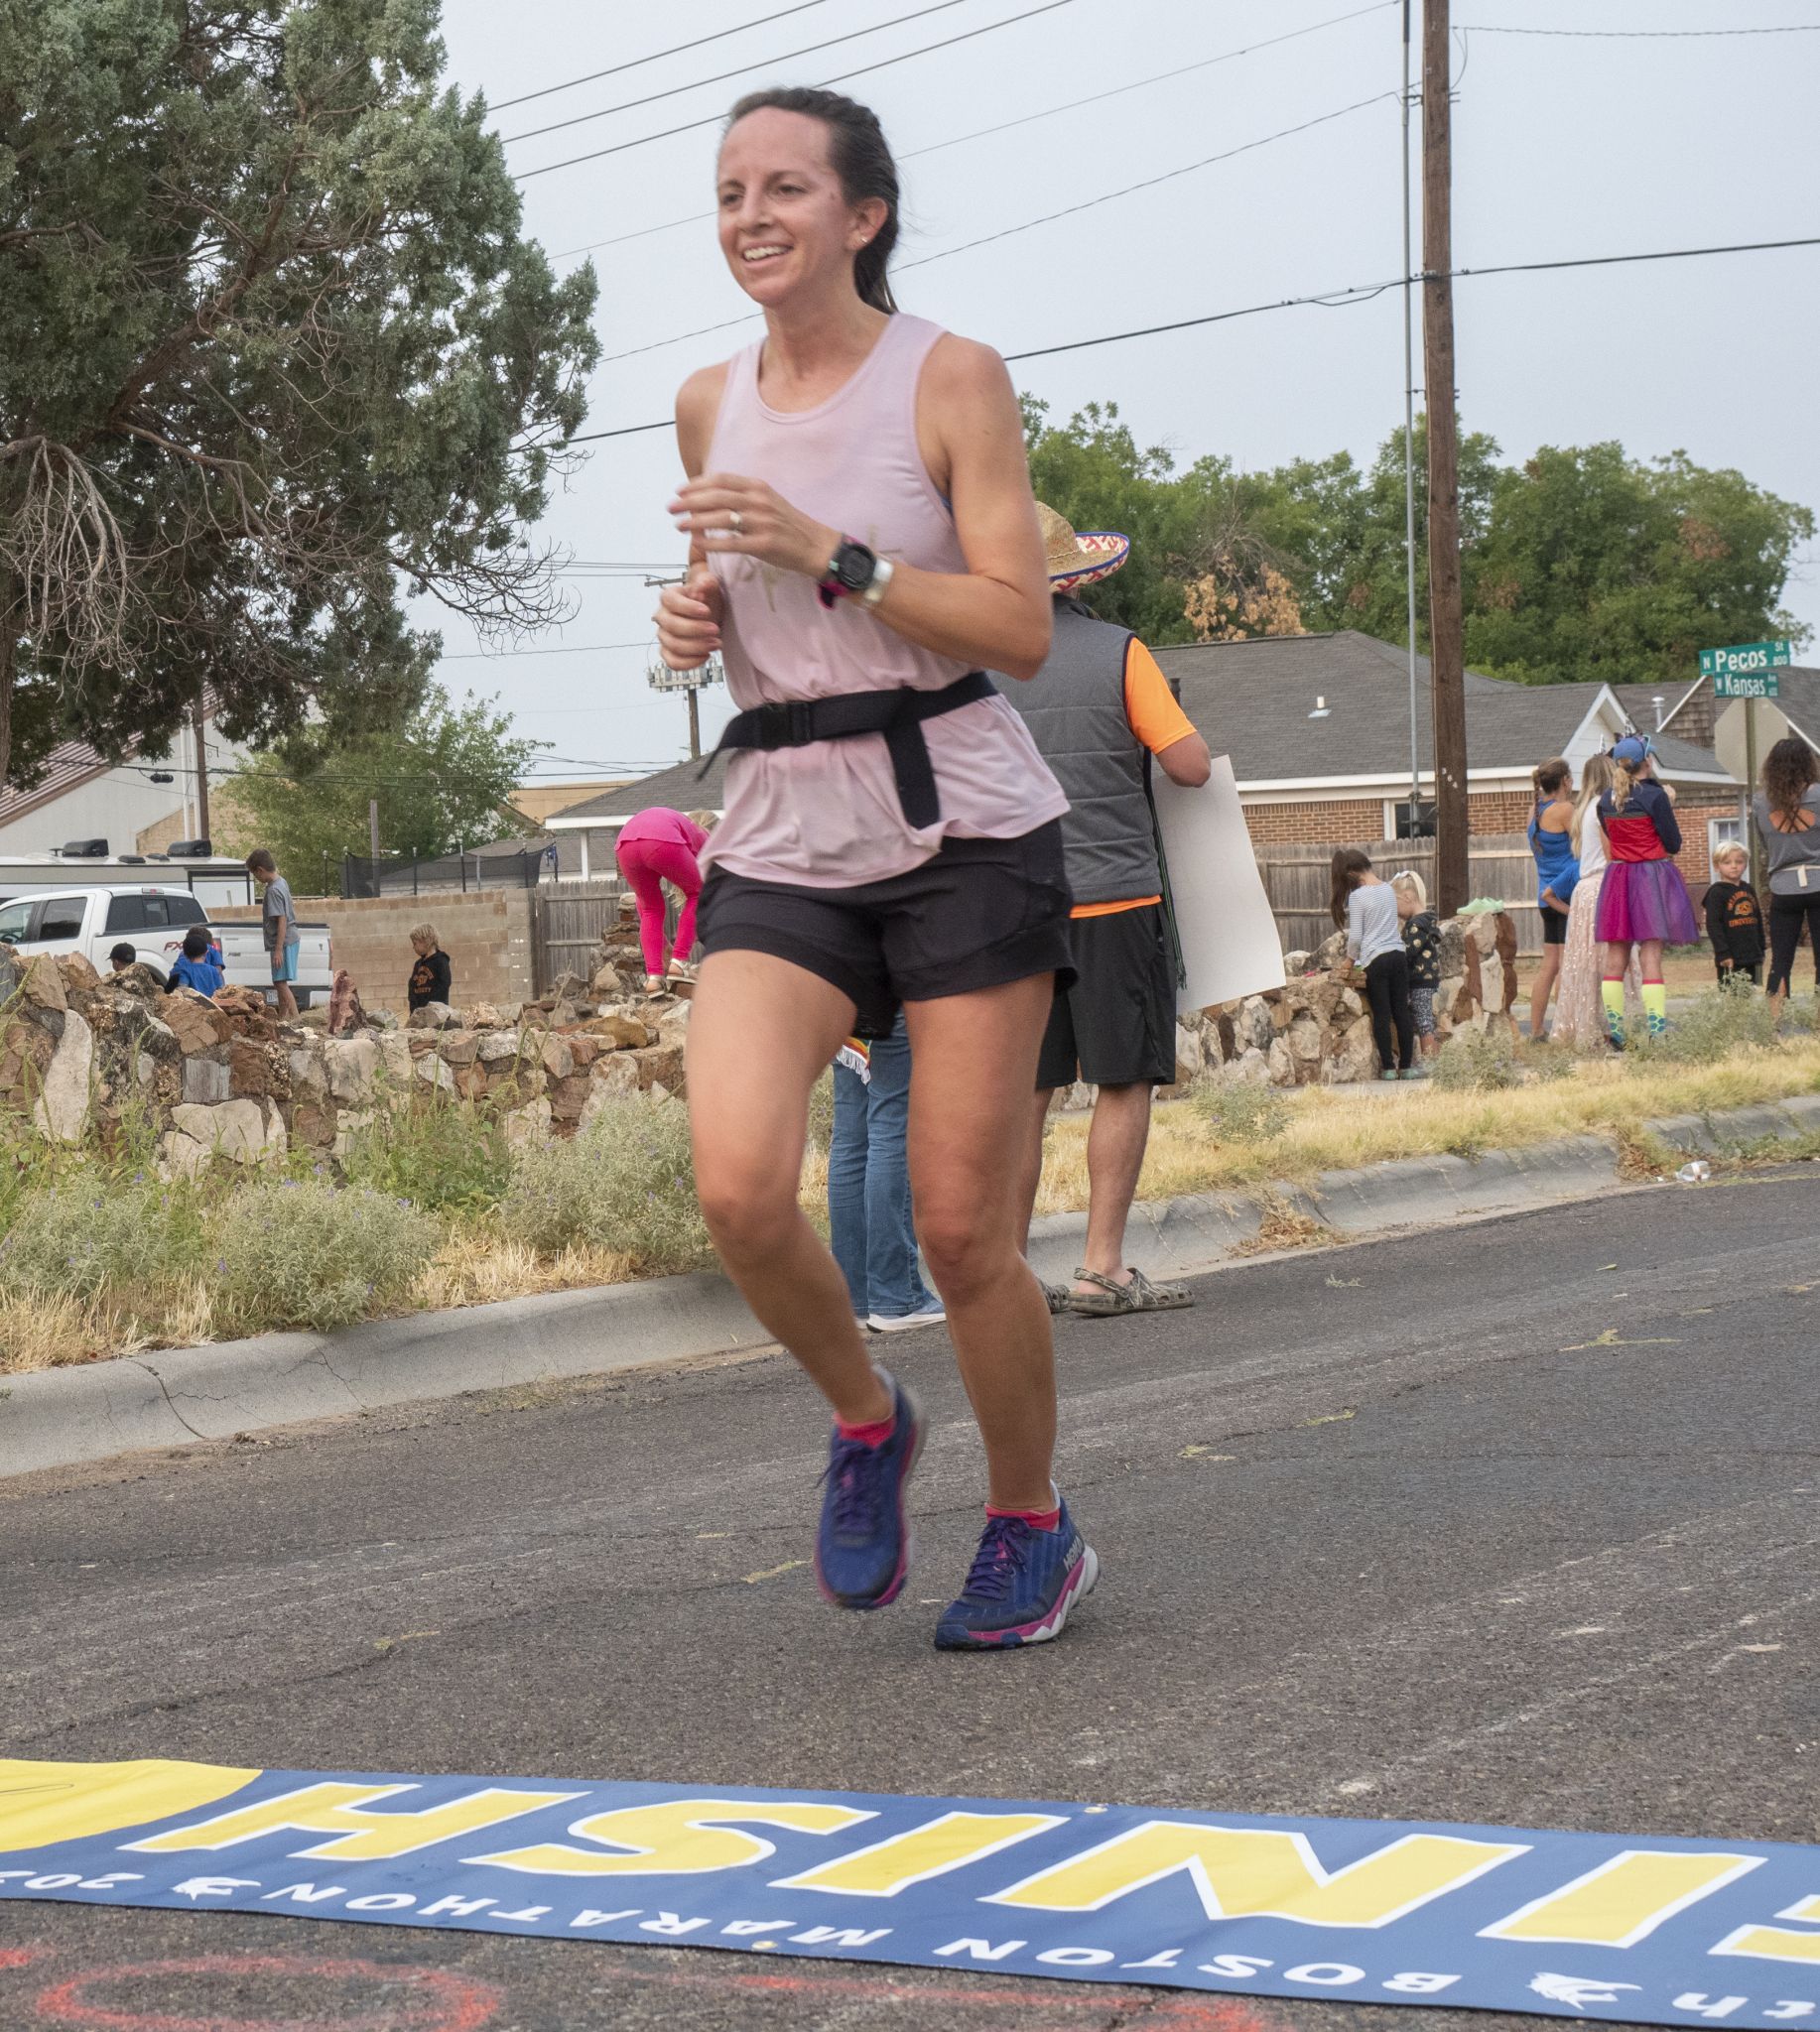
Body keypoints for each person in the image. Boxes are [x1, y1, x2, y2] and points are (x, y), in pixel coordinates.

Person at [654, 86, 1095, 1650]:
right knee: (733, 1183)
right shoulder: (708, 401)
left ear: (863, 215)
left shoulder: (950, 378)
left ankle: (1031, 1527)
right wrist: (686, 628)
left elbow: (1019, 627)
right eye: (726, 194)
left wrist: (828, 549)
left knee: (963, 1229)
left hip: (962, 824)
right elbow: (741, 608)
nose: (750, 216)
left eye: (784, 188)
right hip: (780, 823)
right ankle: (865, 1418)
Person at [1001, 506, 1210, 1319]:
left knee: (1027, 1092)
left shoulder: (974, 667)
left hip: (1016, 911)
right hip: (1116, 896)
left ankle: (1011, 1274)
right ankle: (1101, 1267)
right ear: (1080, 579)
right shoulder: (1121, 651)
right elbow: (1188, 767)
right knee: (1124, 1079)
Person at [828, 1019, 946, 1334]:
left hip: (844, 994)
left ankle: (856, 1297)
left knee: (850, 1138)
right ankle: (897, 1298)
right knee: (891, 1127)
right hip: (889, 989)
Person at [1595, 734, 1696, 1043]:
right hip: (1651, 877)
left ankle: (1617, 1032)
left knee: (1616, 955)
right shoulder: (1656, 797)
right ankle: (1656, 1031)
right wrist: (1670, 802)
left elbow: (1612, 842)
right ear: (1647, 762)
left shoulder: (1604, 800)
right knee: (1651, 953)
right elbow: (1673, 843)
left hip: (1619, 877)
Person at [1555, 751, 1639, 1053]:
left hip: (1584, 889)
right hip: (1606, 884)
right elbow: (1613, 852)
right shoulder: (1606, 810)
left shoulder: (1582, 810)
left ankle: (1586, 1026)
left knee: (1585, 964)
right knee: (1615, 961)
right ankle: (1616, 1026)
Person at [1333, 848, 1419, 1080]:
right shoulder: (1388, 890)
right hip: (1398, 955)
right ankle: (1407, 1066)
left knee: (1382, 1014)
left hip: (1376, 959)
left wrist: (1350, 960)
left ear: (1352, 874)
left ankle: (1389, 1068)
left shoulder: (1358, 896)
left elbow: (1357, 936)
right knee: (1401, 1011)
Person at [1755, 735, 1820, 1017]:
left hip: (1783, 885)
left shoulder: (1760, 801)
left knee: (1781, 959)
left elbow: (1763, 842)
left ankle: (1774, 1025)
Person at [615, 806, 709, 996]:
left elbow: (643, 907)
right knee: (700, 892)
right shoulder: (707, 838)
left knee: (651, 908)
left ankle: (654, 978)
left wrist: (663, 944)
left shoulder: (682, 824)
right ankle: (679, 962)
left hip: (624, 844)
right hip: (660, 839)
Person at [1526, 757, 1579, 1041]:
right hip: (1567, 895)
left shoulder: (1535, 810)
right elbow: (1583, 847)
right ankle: (1564, 1029)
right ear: (1566, 781)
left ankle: (1536, 1030)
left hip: (1545, 897)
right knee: (1568, 964)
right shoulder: (1565, 810)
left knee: (1550, 964)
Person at [1391, 870, 1442, 1061]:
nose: (1395, 910)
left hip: (1420, 980)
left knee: (1423, 1021)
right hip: (1427, 979)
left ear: (1408, 897)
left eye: (1395, 903)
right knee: (1426, 1019)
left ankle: (1430, 1063)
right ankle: (1435, 1061)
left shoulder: (1416, 924)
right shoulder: (1426, 920)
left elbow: (1408, 952)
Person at [244, 847, 299, 1020]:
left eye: (255, 874)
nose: (256, 878)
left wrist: (278, 949)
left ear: (260, 870)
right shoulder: (281, 882)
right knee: (280, 980)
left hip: (283, 941)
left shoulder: (273, 890)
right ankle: (282, 1018)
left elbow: (281, 919)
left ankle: (296, 1018)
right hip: (290, 938)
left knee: (280, 982)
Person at [1703, 842, 1765, 988]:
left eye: (1739, 862)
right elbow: (1713, 925)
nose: (1734, 866)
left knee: (1749, 993)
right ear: (1717, 866)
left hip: (1752, 954)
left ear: (1745, 864)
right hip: (1730, 957)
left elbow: (1758, 920)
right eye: (1727, 862)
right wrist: (1722, 953)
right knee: (1732, 997)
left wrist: (1761, 947)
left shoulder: (1748, 889)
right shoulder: (1716, 892)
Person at [166, 925, 224, 997]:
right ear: (206, 952)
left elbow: (182, 989)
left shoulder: (184, 970)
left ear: (185, 954)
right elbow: (221, 989)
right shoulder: (214, 969)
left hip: (192, 1005)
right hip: (213, 1003)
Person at [407, 924, 453, 1013]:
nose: (413, 947)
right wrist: (414, 1008)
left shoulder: (441, 961)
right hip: (418, 1013)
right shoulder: (418, 964)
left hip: (436, 1013)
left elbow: (444, 984)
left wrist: (431, 1006)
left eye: (415, 943)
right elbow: (412, 987)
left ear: (425, 941)